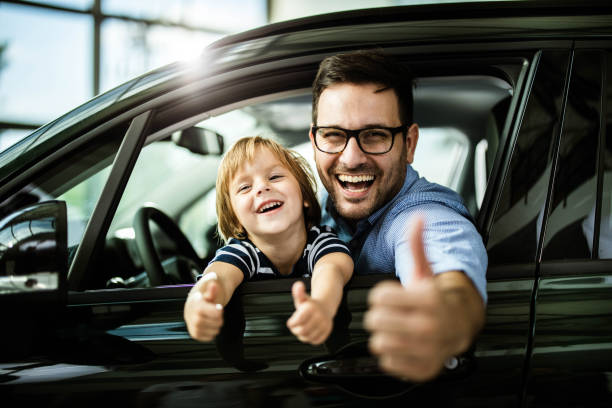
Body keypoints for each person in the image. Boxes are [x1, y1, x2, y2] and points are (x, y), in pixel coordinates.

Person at [309, 50, 487, 381]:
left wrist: (440, 322)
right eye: (333, 135)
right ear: (314, 140)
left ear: (408, 143)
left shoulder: (423, 216)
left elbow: (451, 283)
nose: (350, 158)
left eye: (375, 135)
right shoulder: (312, 206)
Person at [184, 136, 353, 346]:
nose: (261, 188)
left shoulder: (320, 240)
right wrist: (198, 301)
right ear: (235, 218)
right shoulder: (243, 252)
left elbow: (332, 269)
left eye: (274, 177)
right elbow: (217, 278)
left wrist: (321, 305)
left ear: (305, 195)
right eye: (244, 188)